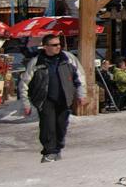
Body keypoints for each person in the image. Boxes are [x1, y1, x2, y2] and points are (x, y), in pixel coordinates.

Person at [18, 34, 87, 162]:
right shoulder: (36, 62)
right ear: (45, 47)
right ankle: (49, 152)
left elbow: (80, 77)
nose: (58, 47)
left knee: (61, 126)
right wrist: (26, 103)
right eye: (54, 45)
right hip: (45, 99)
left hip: (64, 98)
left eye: (59, 44)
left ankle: (57, 149)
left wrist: (81, 94)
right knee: (47, 127)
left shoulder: (68, 58)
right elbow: (24, 83)